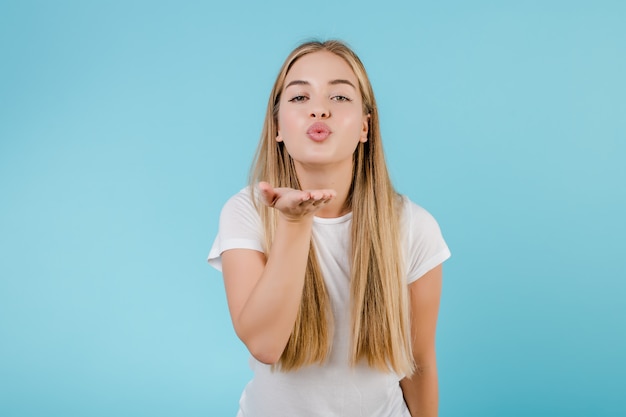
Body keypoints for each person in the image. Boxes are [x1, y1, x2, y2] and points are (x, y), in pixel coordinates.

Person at [208, 39, 451, 417]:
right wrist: (294, 222)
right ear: (277, 127)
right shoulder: (245, 213)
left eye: (339, 98)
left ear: (365, 129)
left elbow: (419, 365)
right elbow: (265, 344)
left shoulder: (414, 226)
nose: (319, 109)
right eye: (299, 98)